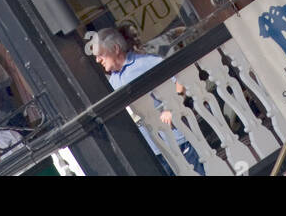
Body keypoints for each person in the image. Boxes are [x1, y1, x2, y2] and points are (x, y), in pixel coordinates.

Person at [88, 26, 206, 176]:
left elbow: (179, 77)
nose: (98, 60)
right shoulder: (112, 82)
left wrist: (170, 107)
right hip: (153, 152)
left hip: (176, 143)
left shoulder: (144, 63)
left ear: (115, 48)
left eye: (100, 55)